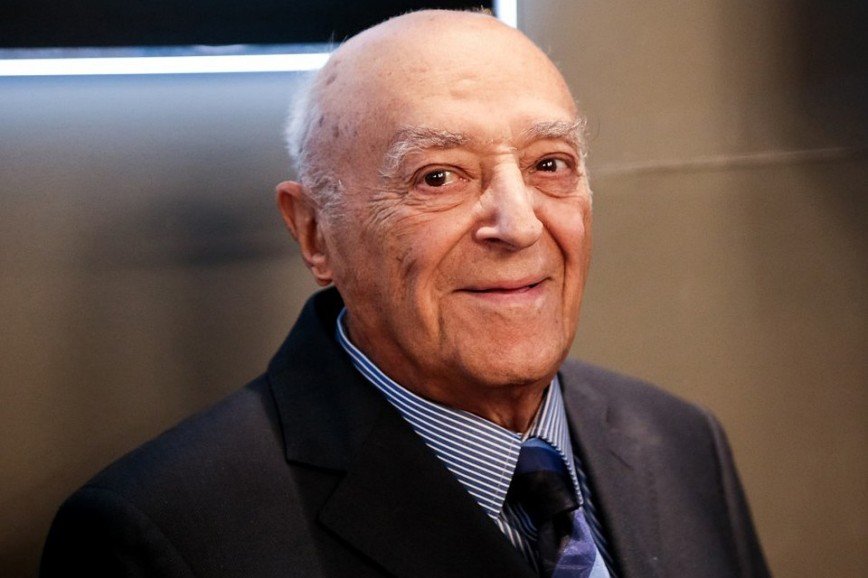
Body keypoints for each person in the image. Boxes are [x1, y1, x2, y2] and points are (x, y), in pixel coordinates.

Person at [40, 9, 769, 578]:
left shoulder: (679, 442)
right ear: (315, 232)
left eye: (550, 164)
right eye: (438, 177)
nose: (519, 225)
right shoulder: (161, 533)